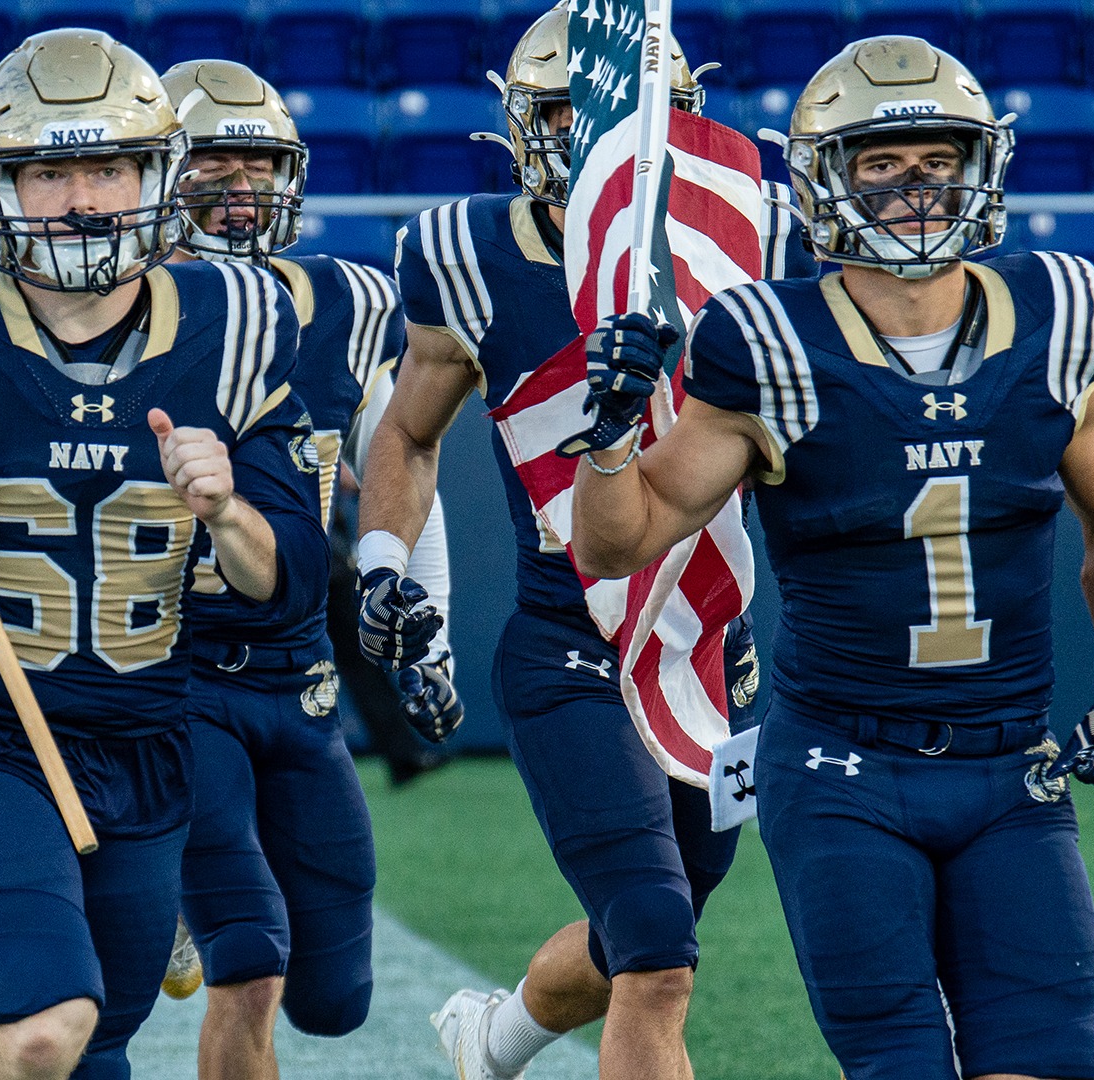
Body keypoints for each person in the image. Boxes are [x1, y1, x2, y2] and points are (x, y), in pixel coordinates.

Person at [566, 35, 1094, 1080]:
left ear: (982, 167)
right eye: (879, 164)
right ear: (822, 182)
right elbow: (617, 541)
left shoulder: (1062, 315)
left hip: (1011, 767)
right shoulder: (769, 339)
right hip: (844, 770)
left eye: (936, 160)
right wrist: (611, 437)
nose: (914, 189)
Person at [357, 4, 801, 1077]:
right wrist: (380, 565)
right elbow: (409, 436)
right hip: (568, 641)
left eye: (617, 115)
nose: (593, 139)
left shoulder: (754, 227)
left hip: (710, 639)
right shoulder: (465, 254)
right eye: (562, 113)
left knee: (647, 935)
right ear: (517, 124)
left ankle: (493, 1036)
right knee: (657, 954)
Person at [0, 30, 325, 1080]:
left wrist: (229, 514)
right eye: (49, 171)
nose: (81, 198)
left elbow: (289, 580)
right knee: (43, 1025)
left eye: (108, 166)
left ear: (159, 171)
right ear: (0, 186)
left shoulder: (241, 318)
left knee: (92, 1044)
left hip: (145, 743)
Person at [156, 58, 456, 1079]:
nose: (239, 182)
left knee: (334, 1002)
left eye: (259, 160)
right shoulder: (108, 313)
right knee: (250, 966)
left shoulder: (347, 300)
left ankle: (172, 889)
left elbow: (403, 459)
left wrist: (432, 618)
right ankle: (158, 880)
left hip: (299, 683)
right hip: (166, 677)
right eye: (214, 158)